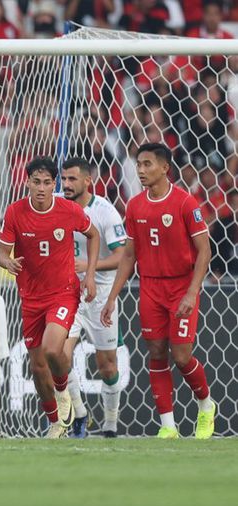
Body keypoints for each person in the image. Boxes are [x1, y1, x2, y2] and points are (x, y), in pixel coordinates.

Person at [102, 143, 216, 439]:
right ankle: (168, 426)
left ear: (165, 168)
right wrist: (113, 295)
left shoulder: (184, 203)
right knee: (155, 351)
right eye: (138, 164)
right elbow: (129, 255)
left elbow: (204, 250)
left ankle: (205, 405)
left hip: (181, 285)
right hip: (150, 286)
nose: (140, 170)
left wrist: (192, 292)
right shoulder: (135, 205)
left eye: (147, 164)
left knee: (181, 356)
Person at [0, 156, 100, 438]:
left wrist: (89, 275)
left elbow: (93, 235)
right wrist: (7, 262)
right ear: (27, 182)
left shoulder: (68, 210)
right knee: (36, 366)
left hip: (63, 292)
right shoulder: (15, 213)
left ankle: (63, 391)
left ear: (53, 183)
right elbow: (1, 252)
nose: (41, 188)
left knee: (53, 349)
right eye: (36, 182)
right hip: (30, 297)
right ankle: (56, 421)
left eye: (47, 183)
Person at [61, 157, 126, 438]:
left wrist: (89, 267)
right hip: (66, 294)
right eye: (63, 179)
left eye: (72, 179)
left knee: (107, 365)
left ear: (88, 181)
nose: (65, 184)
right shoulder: (56, 207)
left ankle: (110, 424)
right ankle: (79, 415)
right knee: (59, 357)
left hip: (99, 296)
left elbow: (121, 256)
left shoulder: (105, 212)